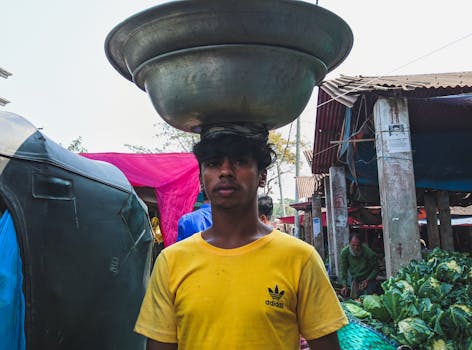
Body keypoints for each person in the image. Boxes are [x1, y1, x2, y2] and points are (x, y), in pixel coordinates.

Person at [135, 123, 348, 350]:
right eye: (213, 163)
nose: (225, 171)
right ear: (201, 177)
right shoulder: (171, 262)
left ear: (262, 176)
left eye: (239, 161)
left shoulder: (300, 258)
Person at [340, 232, 379, 298]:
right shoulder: (344, 253)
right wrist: (344, 285)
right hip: (355, 279)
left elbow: (376, 269)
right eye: (353, 245)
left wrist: (367, 280)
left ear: (361, 244)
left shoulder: (369, 253)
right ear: (349, 243)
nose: (355, 248)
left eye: (358, 245)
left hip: (368, 279)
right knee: (356, 300)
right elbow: (344, 272)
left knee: (369, 298)